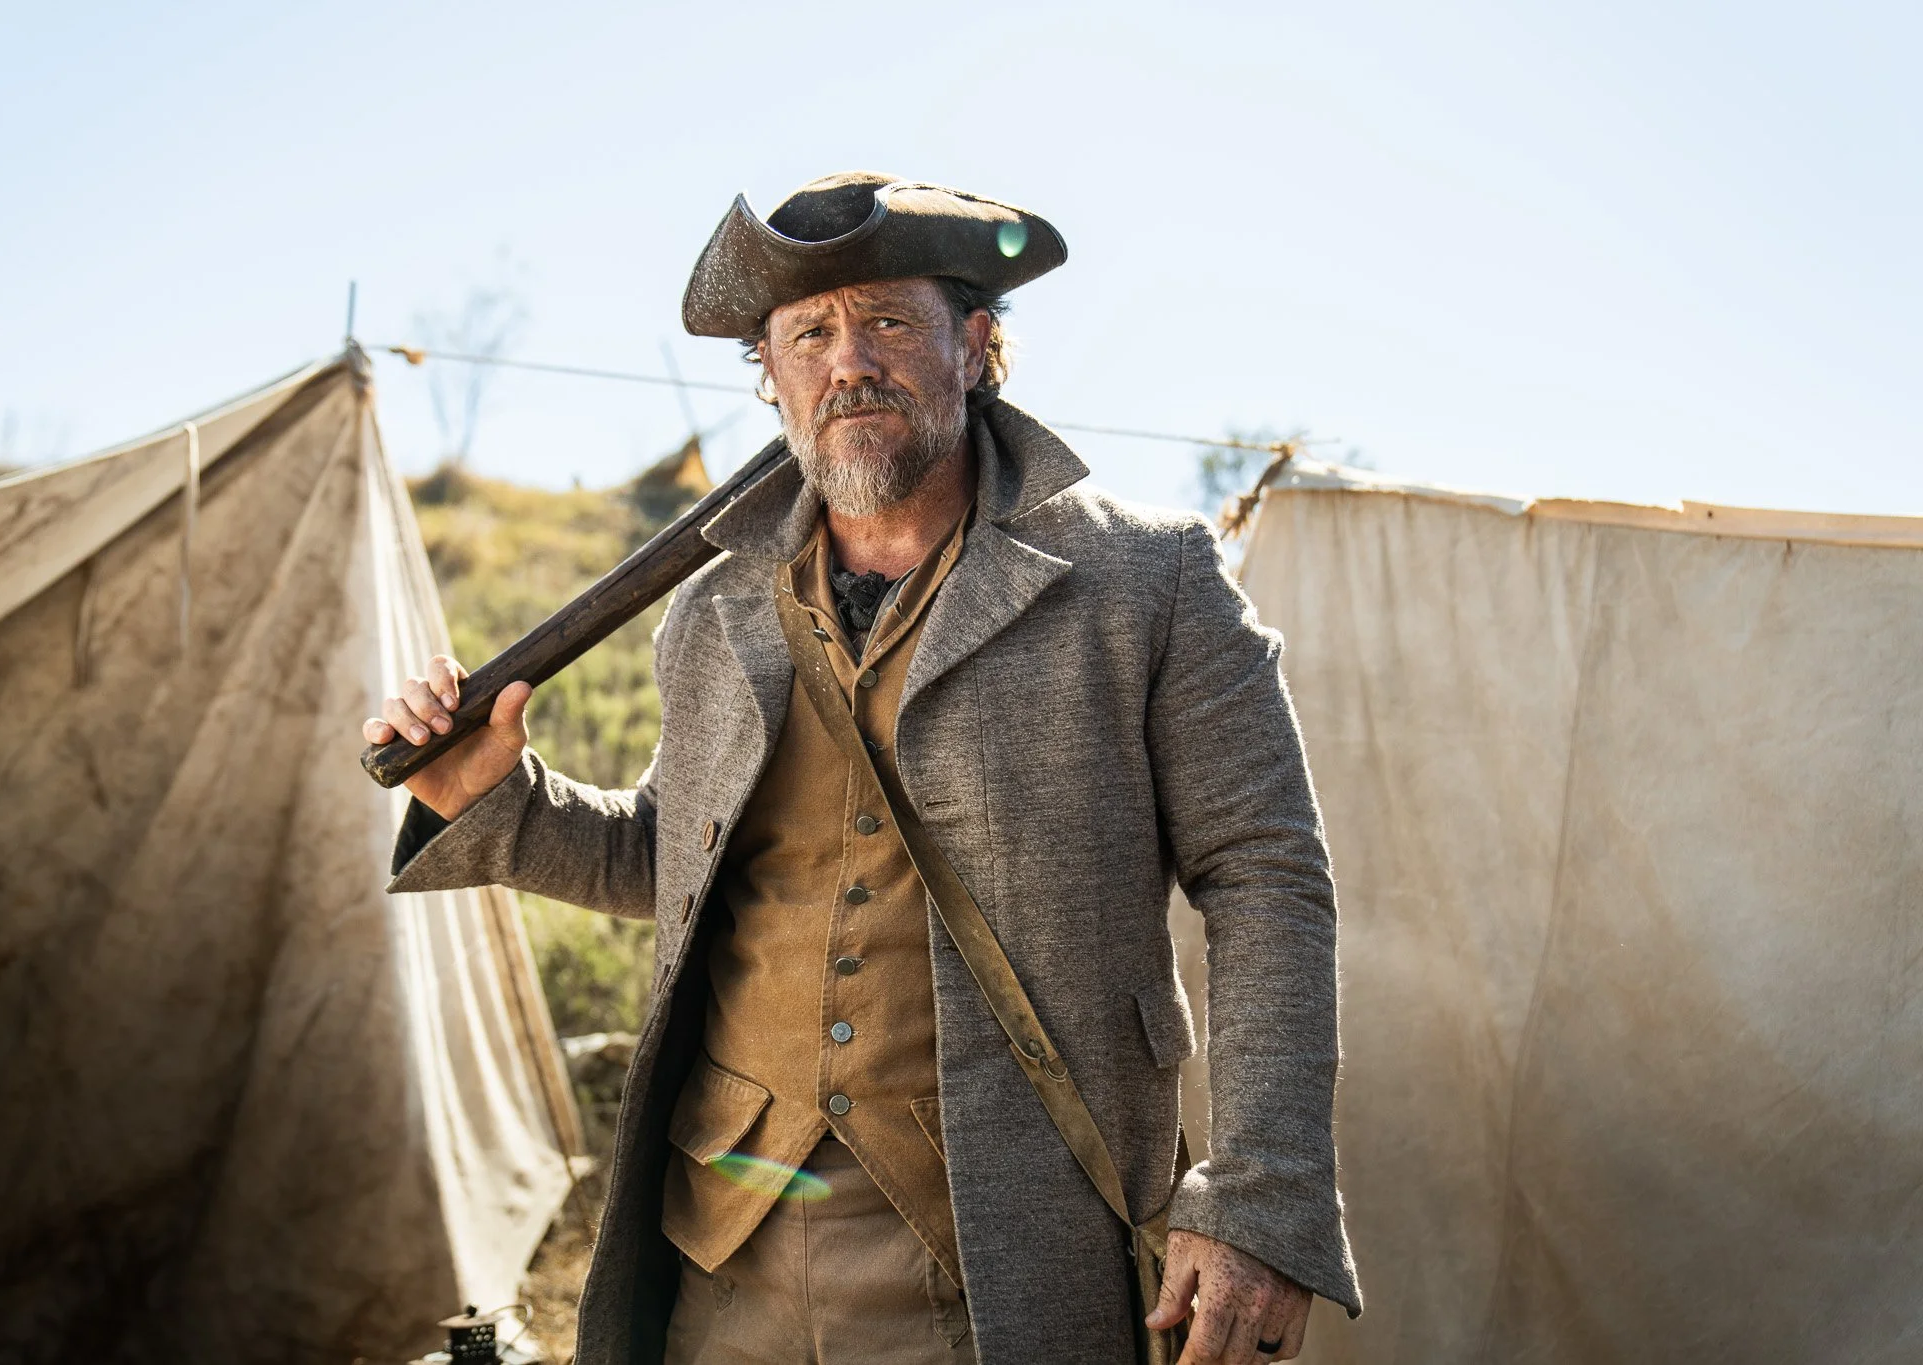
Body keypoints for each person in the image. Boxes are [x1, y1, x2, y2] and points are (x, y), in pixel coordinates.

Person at [367, 172, 1360, 1365]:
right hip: (719, 1243)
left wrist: (1255, 1200)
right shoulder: (714, 607)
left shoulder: (1148, 581)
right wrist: (498, 801)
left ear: (974, 346)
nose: (849, 361)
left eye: (887, 321)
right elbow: (673, 858)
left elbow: (1265, 879)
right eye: (808, 334)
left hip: (1005, 1245)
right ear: (772, 377)